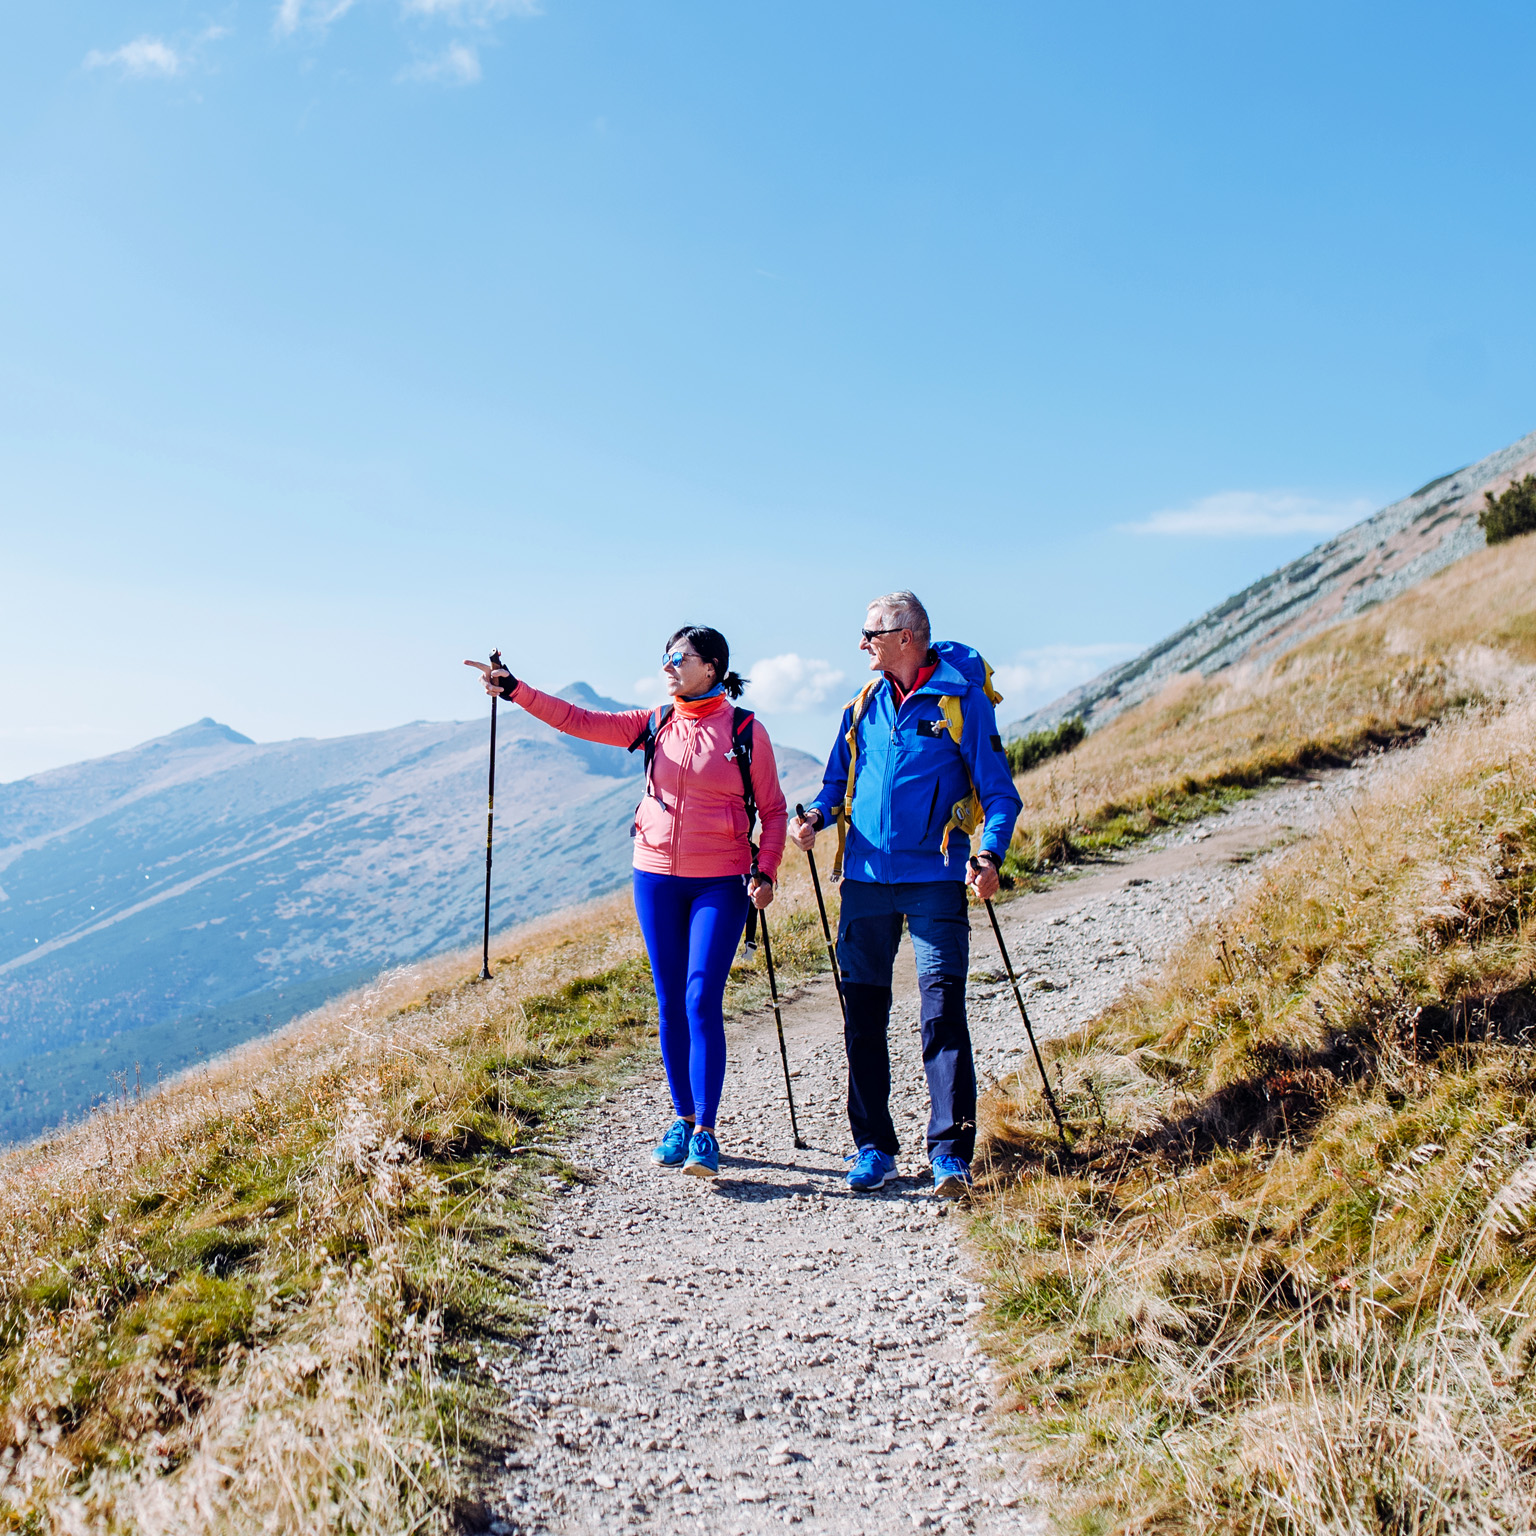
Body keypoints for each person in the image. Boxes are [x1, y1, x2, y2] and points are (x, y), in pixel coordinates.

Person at [466, 627, 786, 1179]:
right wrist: (516, 689)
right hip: (655, 876)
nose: (667, 666)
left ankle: (706, 1131)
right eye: (665, 657)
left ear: (710, 667)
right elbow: (578, 720)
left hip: (721, 881)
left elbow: (775, 811)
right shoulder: (655, 723)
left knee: (700, 997)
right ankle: (682, 1119)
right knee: (668, 1001)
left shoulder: (744, 731)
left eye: (677, 658)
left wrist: (767, 870)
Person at [789, 591, 1022, 1198]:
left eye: (869, 633)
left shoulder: (961, 703)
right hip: (864, 883)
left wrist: (989, 854)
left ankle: (950, 1155)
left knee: (941, 1012)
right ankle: (873, 1148)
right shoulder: (861, 706)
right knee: (861, 1016)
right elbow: (836, 784)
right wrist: (815, 817)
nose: (861, 644)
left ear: (906, 636)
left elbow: (1000, 794)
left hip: (936, 880)